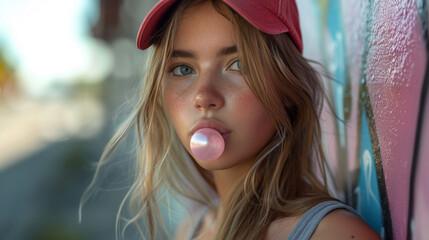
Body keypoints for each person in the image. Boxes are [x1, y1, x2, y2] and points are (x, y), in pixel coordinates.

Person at [83, 0, 382, 239]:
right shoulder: (191, 229)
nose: (204, 95)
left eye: (238, 65)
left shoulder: (335, 234)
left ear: (287, 88)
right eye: (184, 69)